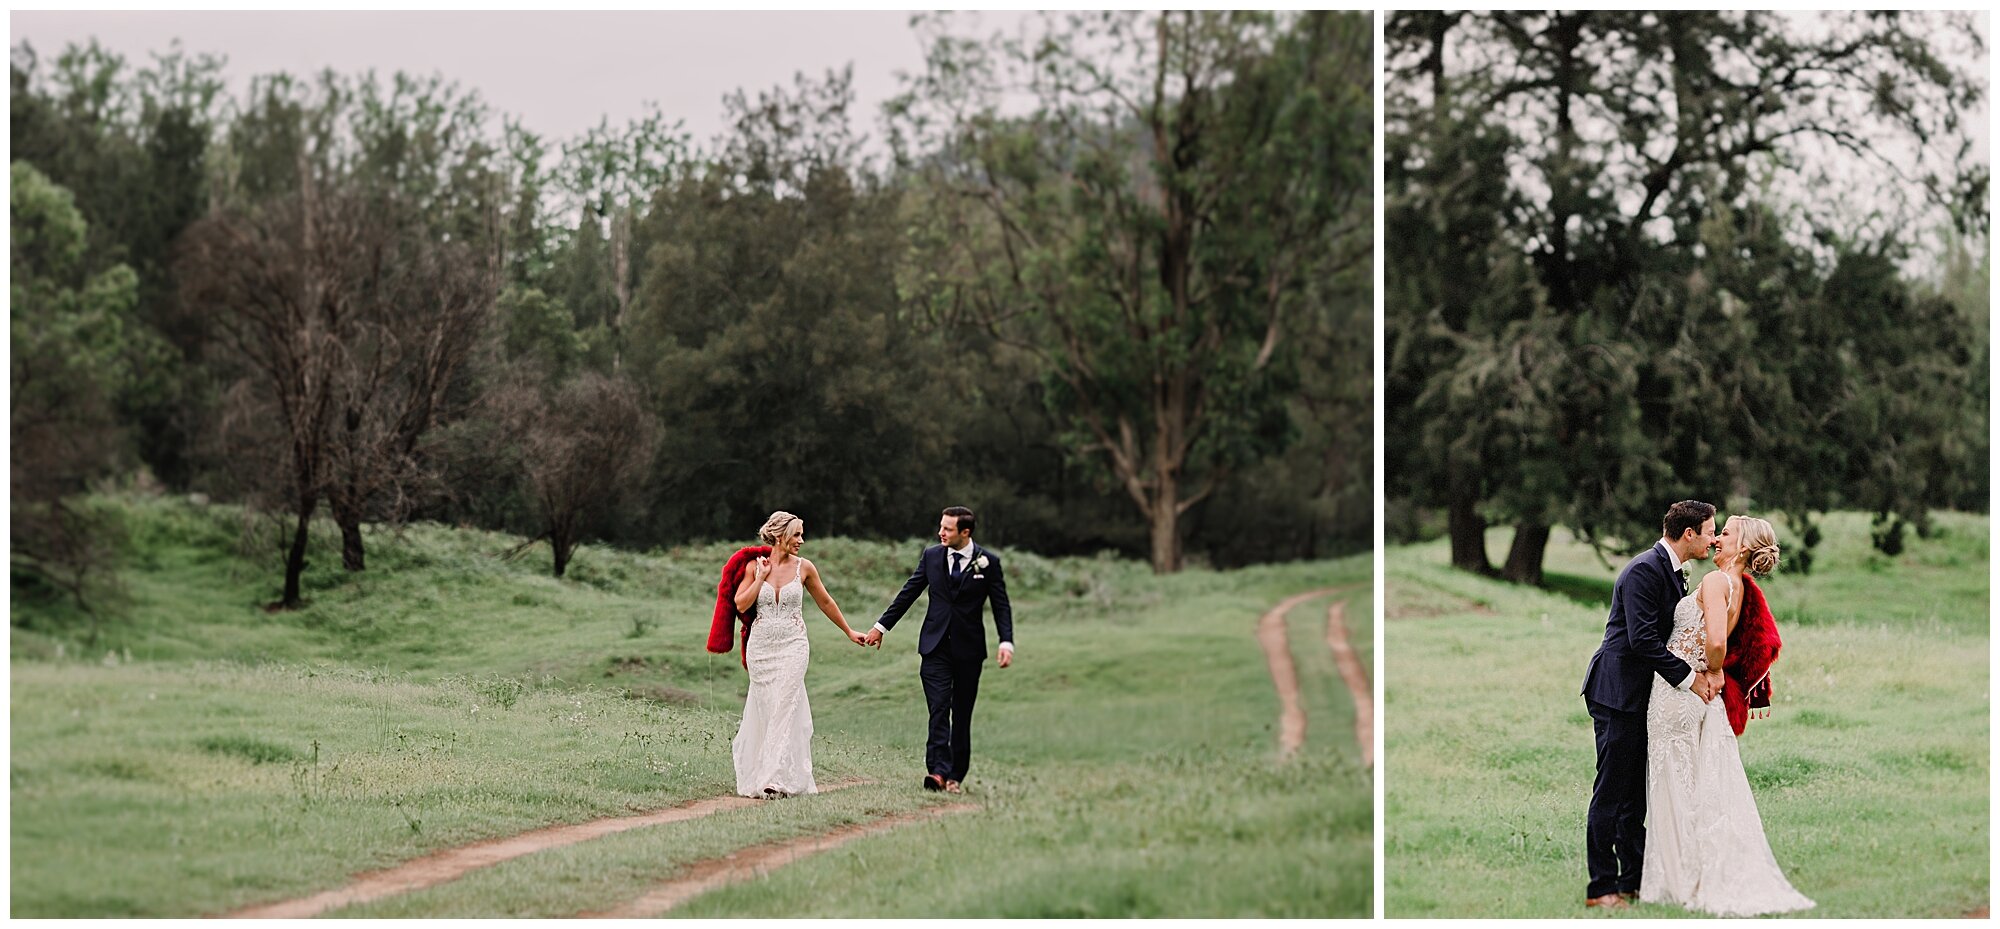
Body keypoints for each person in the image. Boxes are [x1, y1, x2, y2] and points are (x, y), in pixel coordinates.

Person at [1638, 514, 1813, 916]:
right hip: (1691, 694)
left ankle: (1678, 880)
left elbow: (1716, 640)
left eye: (1727, 533)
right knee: (1689, 782)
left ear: (1743, 547)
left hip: (1679, 692)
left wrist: (1713, 668)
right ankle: (1686, 873)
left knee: (1671, 781)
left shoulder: (1717, 582)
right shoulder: (1738, 587)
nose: (1717, 539)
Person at [1579, 500, 1720, 908]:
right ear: (1689, 534)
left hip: (1642, 695)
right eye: (1710, 531)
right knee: (1611, 792)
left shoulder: (1674, 573)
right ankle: (1601, 887)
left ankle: (1633, 881)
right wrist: (1691, 679)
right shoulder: (1644, 569)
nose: (1713, 539)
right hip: (1616, 693)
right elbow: (1642, 640)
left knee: (1634, 795)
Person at [863, 506, 1013, 794]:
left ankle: (956, 774)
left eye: (948, 529)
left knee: (963, 713)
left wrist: (1005, 641)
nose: (941, 532)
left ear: (965, 532)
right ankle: (938, 772)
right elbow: (909, 591)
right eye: (941, 526)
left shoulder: (987, 562)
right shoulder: (932, 556)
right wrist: (880, 627)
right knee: (939, 707)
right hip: (935, 648)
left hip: (969, 651)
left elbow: (1001, 605)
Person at [730, 510, 870, 798]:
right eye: (797, 534)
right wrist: (760, 579)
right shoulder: (755, 567)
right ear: (780, 535)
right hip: (762, 648)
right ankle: (763, 772)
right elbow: (741, 605)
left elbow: (826, 602)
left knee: (784, 705)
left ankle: (775, 779)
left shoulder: (804, 568)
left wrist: (848, 631)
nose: (801, 540)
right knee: (767, 709)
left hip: (794, 645)